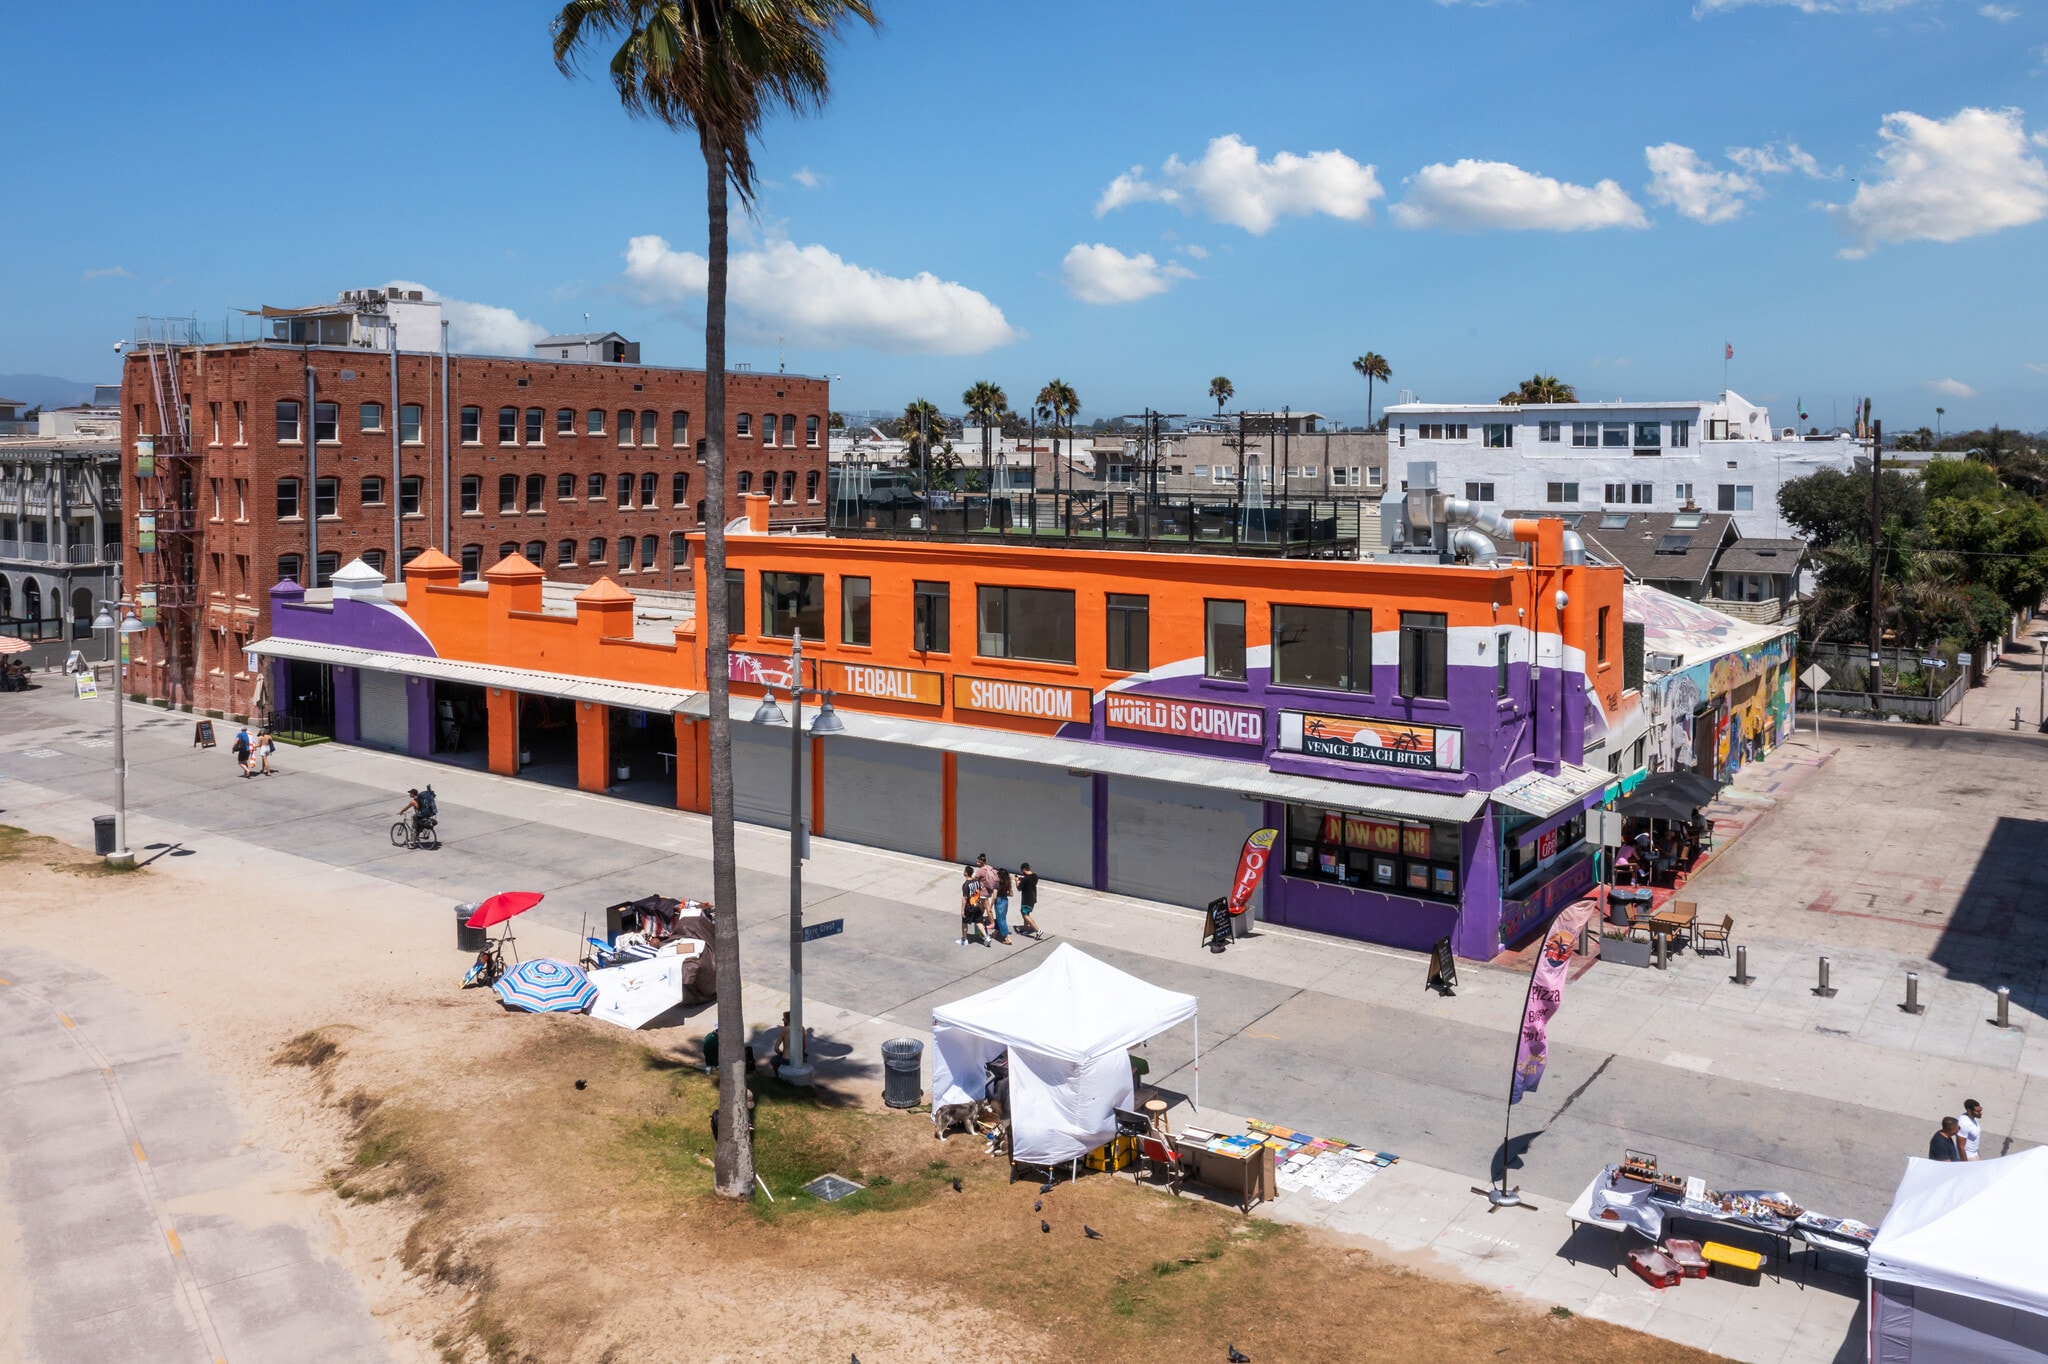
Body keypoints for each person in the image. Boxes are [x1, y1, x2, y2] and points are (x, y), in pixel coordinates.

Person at [1016, 862, 1042, 939]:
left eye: (1022, 870)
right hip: (1032, 898)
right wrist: (1022, 879)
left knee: (1025, 914)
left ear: (1024, 869)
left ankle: (1038, 930)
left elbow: (1019, 888)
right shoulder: (1035, 876)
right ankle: (1025, 928)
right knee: (1027, 913)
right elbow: (1030, 882)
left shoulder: (1025, 879)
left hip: (1026, 899)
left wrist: (1017, 881)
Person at [991, 868, 1014, 945]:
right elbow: (1011, 894)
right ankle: (995, 933)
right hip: (1005, 901)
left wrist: (991, 906)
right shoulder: (1008, 883)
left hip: (999, 902)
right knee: (1000, 917)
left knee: (1001, 919)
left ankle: (1008, 938)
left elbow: (994, 896)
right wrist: (1004, 894)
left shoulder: (997, 884)